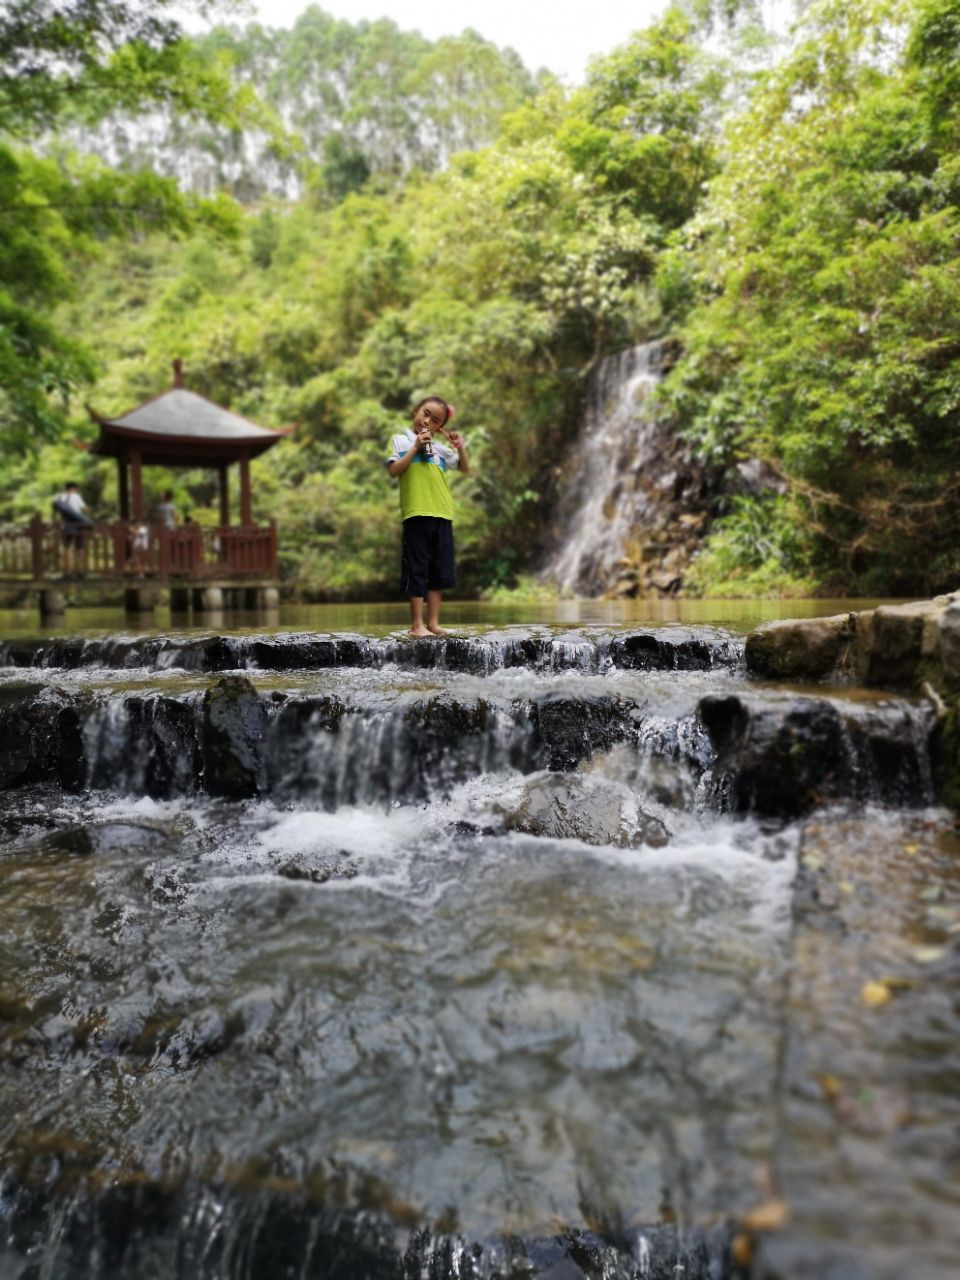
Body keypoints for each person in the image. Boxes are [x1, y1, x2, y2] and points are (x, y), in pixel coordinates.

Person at [386, 396, 470, 637]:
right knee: (417, 567)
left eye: (435, 420)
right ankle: (417, 625)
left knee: (438, 570)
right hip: (416, 512)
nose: (428, 421)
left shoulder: (441, 450)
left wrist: (459, 446)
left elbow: (463, 468)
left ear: (440, 427)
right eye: (425, 413)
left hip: (442, 512)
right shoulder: (401, 440)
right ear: (416, 411)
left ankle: (433, 623)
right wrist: (415, 448)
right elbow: (394, 470)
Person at [52, 481, 91, 576]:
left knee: (66, 547)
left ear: (66, 489)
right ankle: (80, 570)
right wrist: (88, 513)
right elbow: (85, 509)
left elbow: (55, 513)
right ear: (75, 489)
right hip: (78, 525)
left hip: (66, 525)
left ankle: (67, 571)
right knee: (80, 547)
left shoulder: (58, 497)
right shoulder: (76, 496)